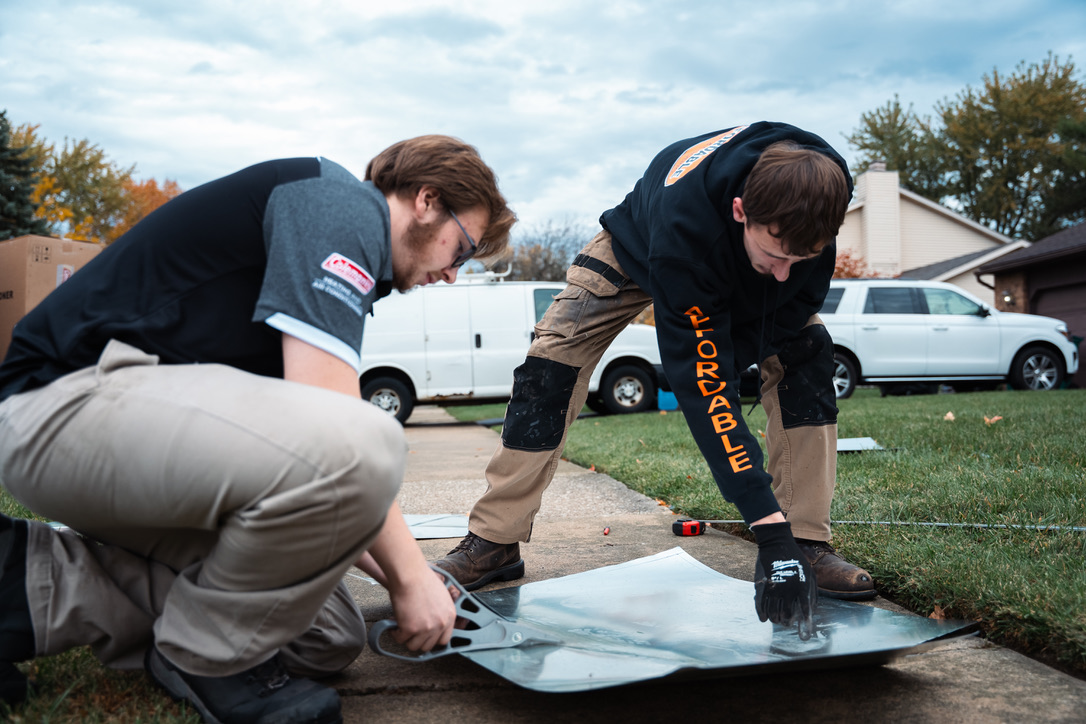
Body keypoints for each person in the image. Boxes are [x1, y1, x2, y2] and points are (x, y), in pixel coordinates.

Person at [0, 136, 516, 723]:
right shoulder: (336, 202)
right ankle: (205, 656)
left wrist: (416, 580)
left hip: (131, 436)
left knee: (323, 634)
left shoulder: (327, 261)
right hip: (59, 403)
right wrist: (408, 577)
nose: (453, 274)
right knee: (366, 439)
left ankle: (20, 585)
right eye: (463, 249)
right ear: (426, 200)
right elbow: (333, 430)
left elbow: (327, 483)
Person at [435, 122, 874, 638]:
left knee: (807, 353)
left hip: (725, 254)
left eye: (798, 259)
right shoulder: (684, 237)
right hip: (638, 246)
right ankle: (493, 540)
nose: (784, 272)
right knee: (549, 366)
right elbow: (704, 389)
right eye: (776, 256)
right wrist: (763, 523)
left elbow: (795, 294)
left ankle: (804, 543)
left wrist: (783, 541)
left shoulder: (825, 193)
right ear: (740, 212)